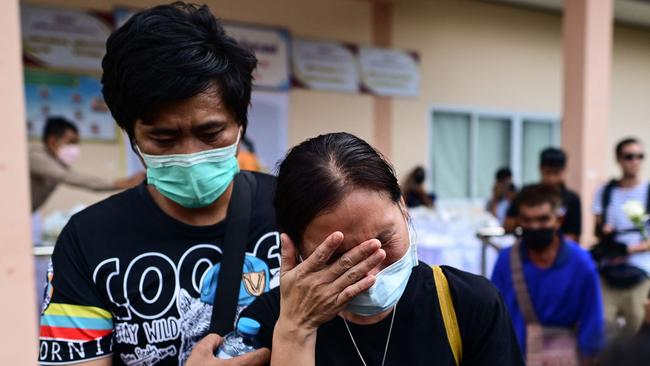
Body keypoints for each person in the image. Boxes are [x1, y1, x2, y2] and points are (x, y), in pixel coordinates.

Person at [38, 3, 277, 365]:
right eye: (163, 139)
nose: (190, 155)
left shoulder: (294, 209)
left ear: (240, 124)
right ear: (132, 136)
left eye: (210, 133)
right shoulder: (87, 241)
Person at [241, 132, 524, 366]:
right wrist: (296, 332)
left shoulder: (468, 305)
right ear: (295, 248)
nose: (371, 274)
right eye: (341, 258)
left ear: (403, 208)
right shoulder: (269, 324)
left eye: (384, 242)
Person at [492, 184, 604, 365]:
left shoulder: (581, 264)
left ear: (559, 220)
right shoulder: (506, 261)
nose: (534, 226)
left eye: (543, 219)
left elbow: (592, 325)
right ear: (519, 220)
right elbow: (494, 318)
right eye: (527, 220)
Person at [592, 137, 650, 341]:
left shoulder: (648, 191)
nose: (635, 161)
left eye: (640, 156)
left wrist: (629, 250)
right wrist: (605, 232)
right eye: (629, 156)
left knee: (639, 334)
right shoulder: (606, 191)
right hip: (609, 272)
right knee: (602, 333)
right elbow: (597, 229)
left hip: (640, 273)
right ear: (619, 159)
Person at [29, 116, 144, 212]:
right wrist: (123, 183)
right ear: (53, 141)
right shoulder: (36, 157)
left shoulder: (56, 164)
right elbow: (74, 178)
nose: (74, 148)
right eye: (71, 142)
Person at [505, 147, 582, 242]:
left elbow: (573, 236)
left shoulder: (572, 199)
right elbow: (508, 224)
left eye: (556, 172)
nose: (551, 178)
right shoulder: (527, 193)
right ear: (540, 169)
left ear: (564, 170)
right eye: (548, 172)